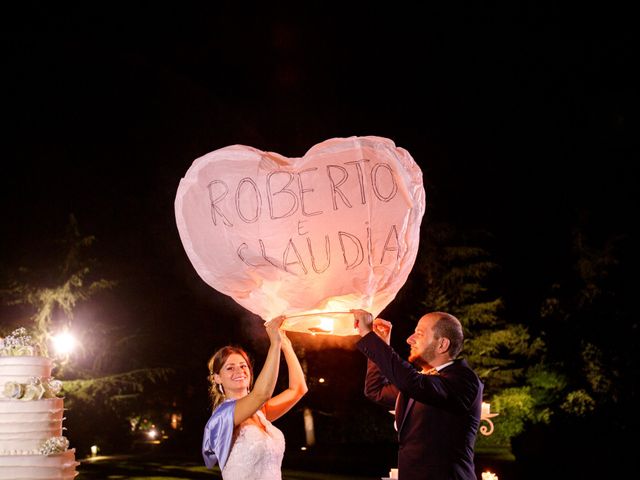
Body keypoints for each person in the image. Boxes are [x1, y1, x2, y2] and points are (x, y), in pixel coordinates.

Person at [353, 309, 483, 480]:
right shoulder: (424, 382)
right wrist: (380, 342)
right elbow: (375, 390)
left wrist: (369, 336)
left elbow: (413, 383)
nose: (409, 339)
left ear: (442, 344)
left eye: (419, 334)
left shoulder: (464, 380)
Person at [202, 315, 308, 479]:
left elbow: (298, 389)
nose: (239, 371)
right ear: (217, 378)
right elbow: (262, 394)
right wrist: (274, 344)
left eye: (243, 366)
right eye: (230, 368)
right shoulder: (224, 415)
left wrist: (286, 345)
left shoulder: (260, 412)